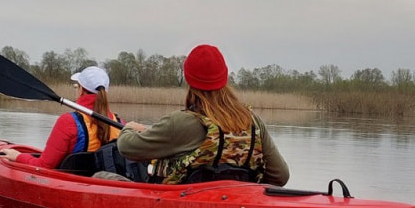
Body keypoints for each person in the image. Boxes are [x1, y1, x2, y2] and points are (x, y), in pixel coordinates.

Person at [117, 44, 289, 186]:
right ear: (224, 78)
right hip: (238, 205)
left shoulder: (181, 122)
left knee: (101, 175)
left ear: (189, 79)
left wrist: (129, 129)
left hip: (182, 207)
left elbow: (126, 147)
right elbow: (280, 176)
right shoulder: (253, 122)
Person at [0, 65, 121, 168]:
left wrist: (18, 157)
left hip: (72, 184)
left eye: (76, 86)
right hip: (102, 181)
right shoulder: (120, 123)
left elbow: (43, 166)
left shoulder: (68, 122)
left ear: (81, 90)